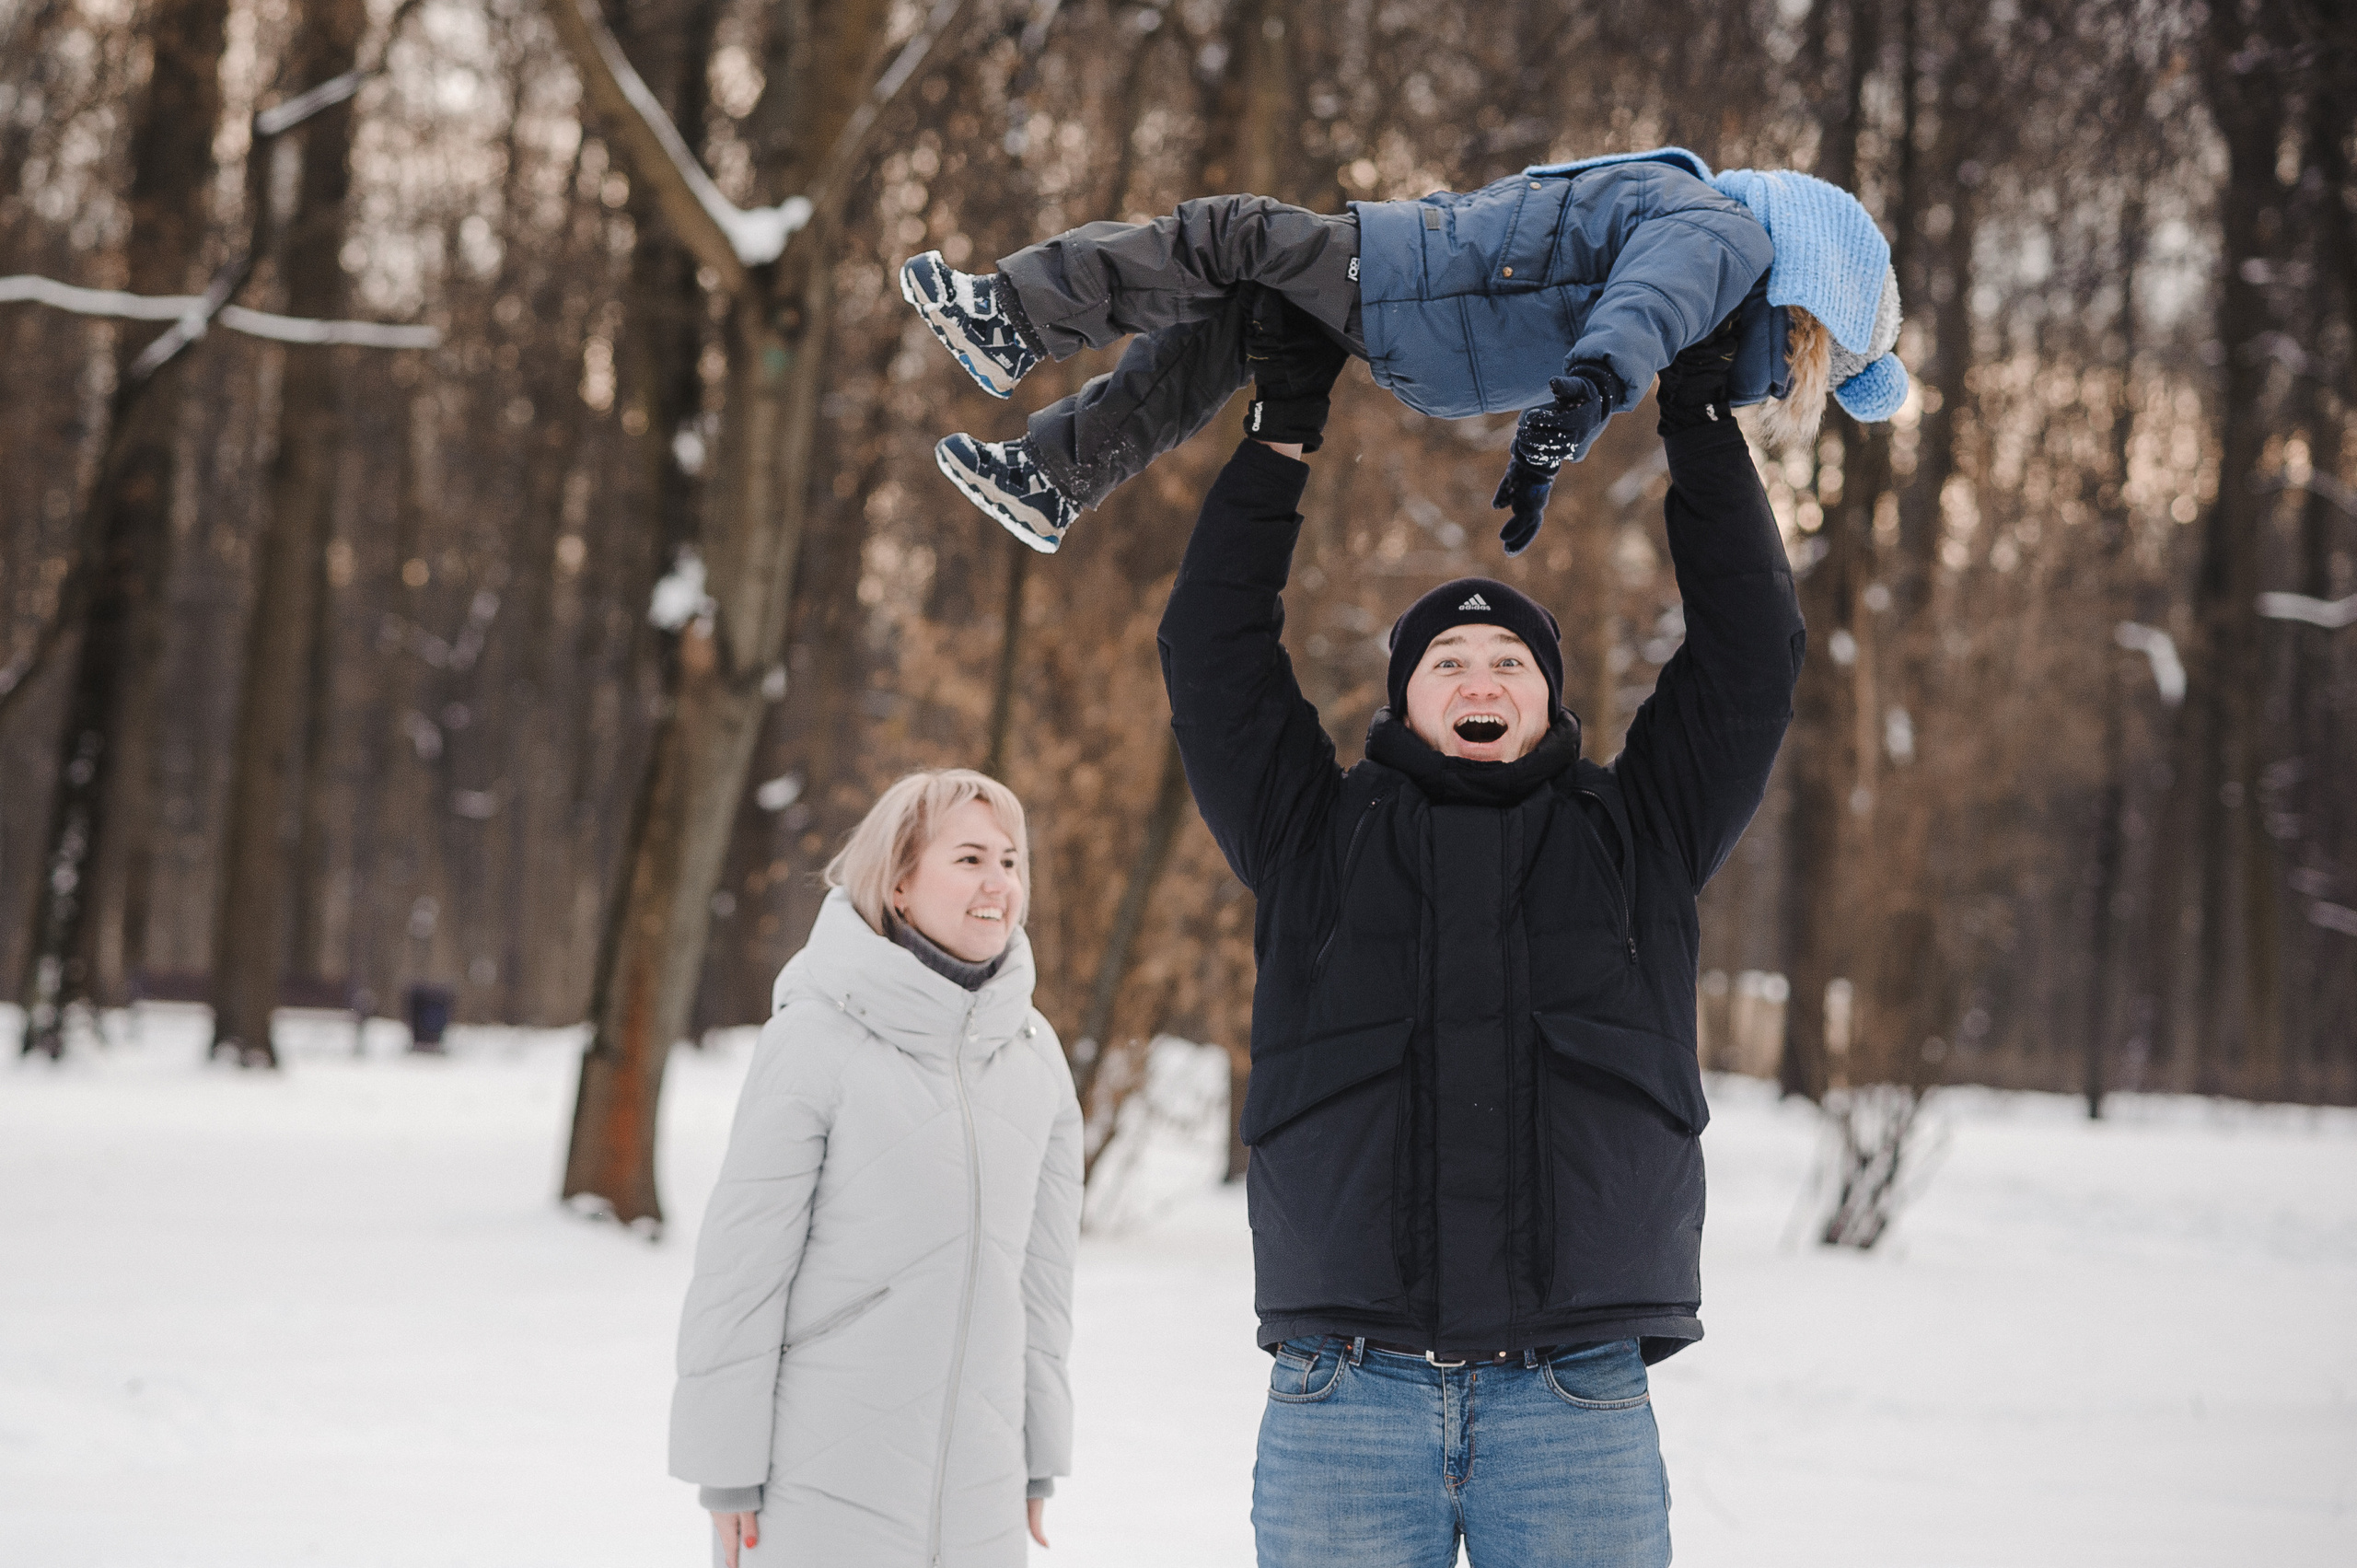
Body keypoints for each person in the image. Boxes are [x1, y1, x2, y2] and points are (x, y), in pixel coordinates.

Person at [1153, 306, 1804, 1565]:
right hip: (1346, 1392)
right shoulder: (1311, 837)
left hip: (1575, 1398)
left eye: (1510, 657)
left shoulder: (1641, 834)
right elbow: (1211, 653)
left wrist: (1701, 425)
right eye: (1446, 657)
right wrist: (1281, 434)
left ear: (1549, 698)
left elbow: (1750, 656)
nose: (1481, 678)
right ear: (1403, 698)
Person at [900, 146, 1905, 555]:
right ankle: (1052, 478)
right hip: (1439, 325)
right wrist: (1572, 410)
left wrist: (1584, 394)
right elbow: (1635, 304)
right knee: (1238, 317)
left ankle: (1013, 318)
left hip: (1424, 288)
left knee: (1231, 233)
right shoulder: (1718, 272)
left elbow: (1642, 303)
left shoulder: (1721, 229)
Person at [668, 770, 1083, 1568]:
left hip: (982, 1493)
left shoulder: (1036, 1058)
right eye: (968, 859)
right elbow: (741, 1271)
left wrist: (1038, 1454)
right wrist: (724, 1473)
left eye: (1009, 859)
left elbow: (1041, 1282)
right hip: (823, 1482)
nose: (999, 881)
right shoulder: (815, 1040)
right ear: (898, 881)